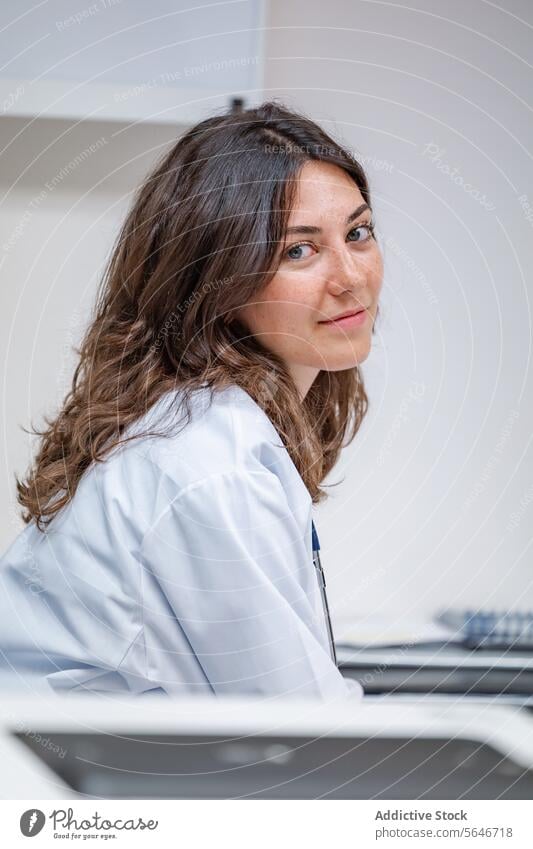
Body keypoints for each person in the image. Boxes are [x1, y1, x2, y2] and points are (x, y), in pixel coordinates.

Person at [0, 101, 383, 699]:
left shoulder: (204, 428)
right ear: (218, 279)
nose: (350, 276)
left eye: (358, 233)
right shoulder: (209, 461)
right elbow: (302, 734)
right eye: (298, 251)